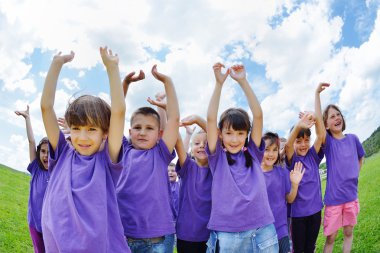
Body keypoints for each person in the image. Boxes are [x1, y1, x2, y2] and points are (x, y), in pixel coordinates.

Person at [40, 47, 130, 252]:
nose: (82, 137)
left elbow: (119, 111)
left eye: (91, 129)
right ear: (69, 129)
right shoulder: (62, 152)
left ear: (104, 133)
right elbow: (46, 107)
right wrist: (57, 64)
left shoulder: (108, 160)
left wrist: (112, 69)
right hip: (57, 242)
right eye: (77, 128)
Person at [205, 63, 278, 252]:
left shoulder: (254, 153)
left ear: (247, 134)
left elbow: (258, 115)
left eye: (240, 133)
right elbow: (211, 119)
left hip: (263, 229)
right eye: (229, 133)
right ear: (220, 134)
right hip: (229, 234)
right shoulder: (217, 158)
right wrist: (219, 84)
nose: (235, 139)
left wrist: (243, 81)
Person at [116, 64, 180, 253]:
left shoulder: (160, 153)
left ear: (159, 134)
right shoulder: (123, 150)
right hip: (122, 236)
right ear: (129, 131)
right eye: (137, 127)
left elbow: (174, 119)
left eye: (149, 128)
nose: (142, 132)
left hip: (155, 241)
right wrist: (125, 84)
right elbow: (115, 116)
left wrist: (167, 82)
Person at [315, 83, 365, 253]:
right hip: (334, 200)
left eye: (338, 115)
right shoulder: (328, 143)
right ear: (326, 124)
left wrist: (356, 173)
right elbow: (319, 129)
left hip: (351, 196)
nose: (336, 118)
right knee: (331, 237)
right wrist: (317, 94)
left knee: (349, 232)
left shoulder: (353, 138)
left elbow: (361, 156)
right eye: (331, 116)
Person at [284, 111, 324, 253]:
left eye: (307, 140)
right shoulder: (292, 160)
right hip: (298, 217)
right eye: (298, 140)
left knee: (310, 247)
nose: (303, 144)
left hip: (316, 212)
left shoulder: (313, 156)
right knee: (299, 249)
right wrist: (299, 125)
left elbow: (321, 136)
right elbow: (288, 146)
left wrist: (315, 117)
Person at [261, 131, 305, 253]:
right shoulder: (253, 174)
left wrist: (295, 185)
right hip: (261, 234)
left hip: (281, 230)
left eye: (275, 150)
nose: (271, 154)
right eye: (267, 149)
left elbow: (289, 199)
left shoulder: (282, 172)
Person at [175, 115, 212, 253]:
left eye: (207, 143)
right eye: (197, 143)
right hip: (186, 234)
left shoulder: (217, 169)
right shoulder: (187, 167)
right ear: (191, 148)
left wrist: (198, 119)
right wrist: (168, 111)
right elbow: (177, 142)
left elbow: (219, 137)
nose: (202, 145)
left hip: (211, 235)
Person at [15, 105, 49, 253]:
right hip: (34, 223)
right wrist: (27, 119)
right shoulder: (36, 168)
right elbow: (31, 141)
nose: (46, 156)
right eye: (43, 151)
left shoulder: (58, 172)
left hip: (50, 226)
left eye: (50, 152)